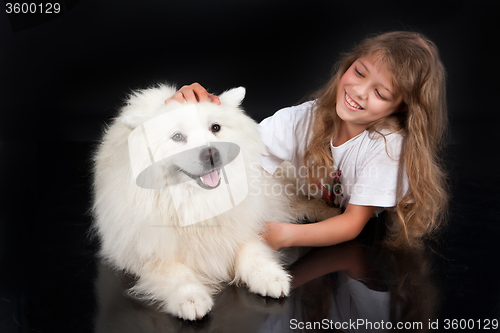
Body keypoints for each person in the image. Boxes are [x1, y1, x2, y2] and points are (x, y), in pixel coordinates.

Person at [166, 31, 449, 251]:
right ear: (348, 65)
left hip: (350, 233)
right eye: (359, 72)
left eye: (381, 93)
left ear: (400, 107)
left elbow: (352, 223)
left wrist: (284, 235)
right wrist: (196, 112)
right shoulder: (305, 117)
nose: (359, 91)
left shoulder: (388, 148)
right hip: (312, 204)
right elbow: (242, 149)